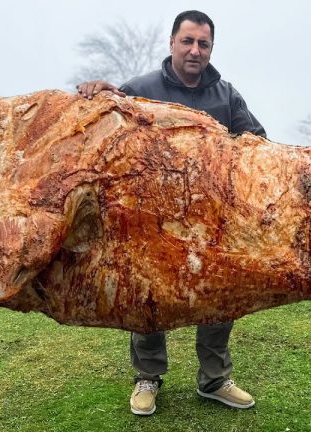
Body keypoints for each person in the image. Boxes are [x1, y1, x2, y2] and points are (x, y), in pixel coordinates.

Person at [77, 10, 266, 416]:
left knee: (220, 295)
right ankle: (147, 377)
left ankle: (214, 379)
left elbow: (258, 145)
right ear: (172, 43)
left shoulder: (226, 97)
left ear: (211, 48)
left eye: (203, 44)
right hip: (152, 220)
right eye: (188, 41)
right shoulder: (141, 90)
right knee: (146, 296)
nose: (195, 50)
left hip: (212, 222)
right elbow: (98, 127)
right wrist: (95, 95)